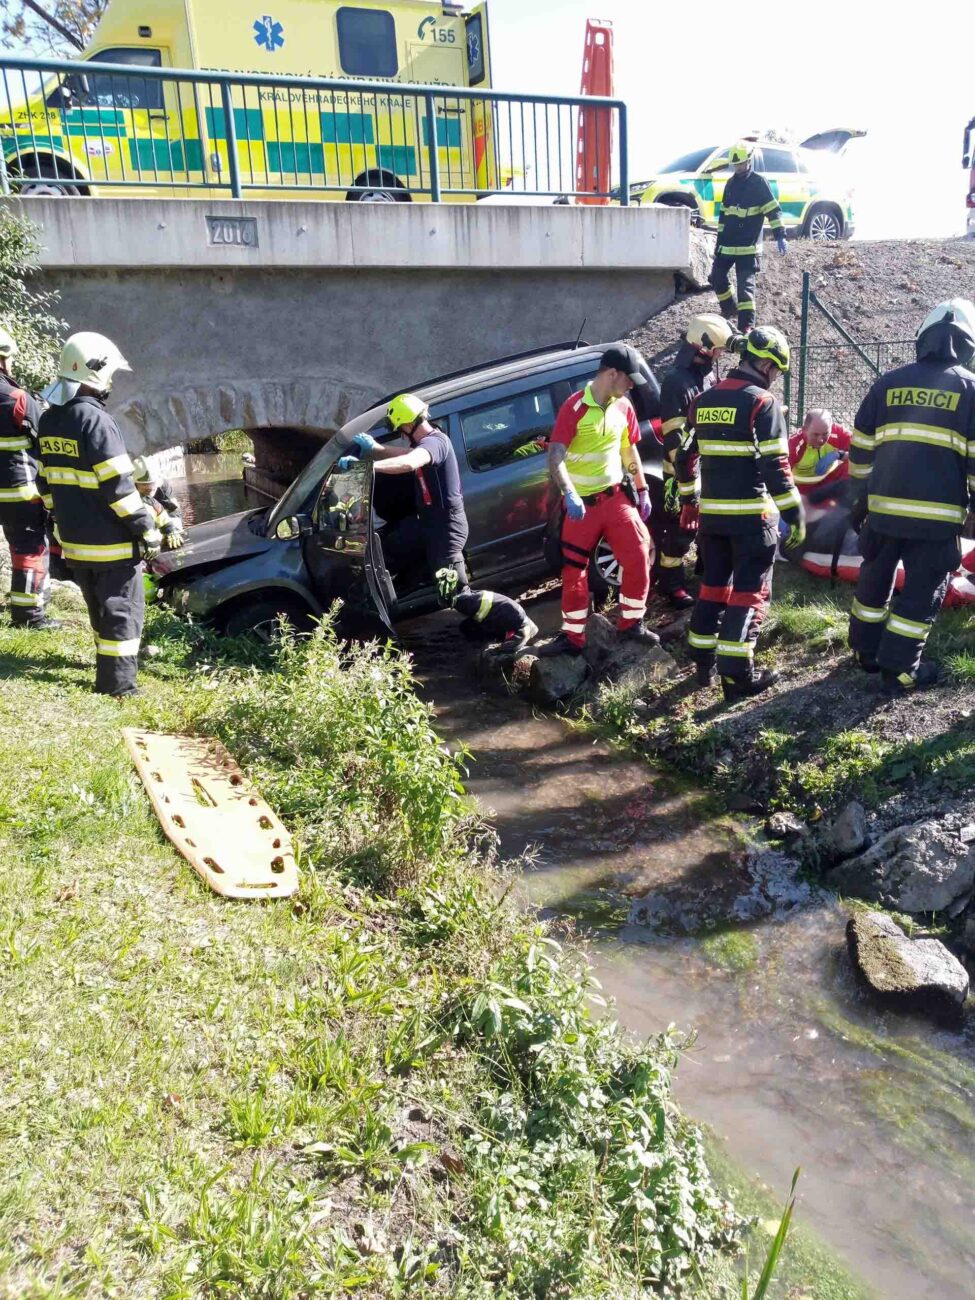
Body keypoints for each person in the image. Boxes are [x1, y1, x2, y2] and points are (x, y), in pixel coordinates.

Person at [847, 299, 975, 693]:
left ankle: (866, 653)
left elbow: (861, 450)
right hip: (936, 524)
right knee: (921, 594)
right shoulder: (970, 389)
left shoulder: (886, 383)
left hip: (882, 513)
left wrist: (859, 502)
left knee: (874, 582)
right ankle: (899, 670)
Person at [676, 325, 804, 701]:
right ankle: (737, 679)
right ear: (765, 363)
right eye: (777, 370)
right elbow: (776, 466)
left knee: (713, 588)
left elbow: (684, 457)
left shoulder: (703, 400)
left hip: (712, 522)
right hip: (752, 521)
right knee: (749, 594)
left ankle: (702, 664)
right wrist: (794, 514)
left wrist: (689, 501)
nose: (776, 378)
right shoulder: (762, 403)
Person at [36, 332, 162, 698]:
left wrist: (59, 522)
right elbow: (119, 487)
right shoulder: (97, 423)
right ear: (98, 372)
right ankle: (118, 686)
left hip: (76, 542)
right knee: (122, 611)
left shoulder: (50, 421)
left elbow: (46, 484)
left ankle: (108, 669)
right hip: (111, 544)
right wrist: (146, 528)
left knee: (99, 607)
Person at [537, 343, 657, 657]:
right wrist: (570, 493)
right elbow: (555, 455)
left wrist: (642, 490)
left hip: (615, 498)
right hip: (582, 509)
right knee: (574, 571)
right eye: (628, 378)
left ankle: (631, 623)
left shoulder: (624, 406)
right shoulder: (574, 407)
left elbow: (629, 450)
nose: (632, 384)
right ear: (611, 373)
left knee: (639, 555)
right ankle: (573, 639)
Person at [341, 393, 471, 590]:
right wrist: (376, 448)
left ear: (409, 424)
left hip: (447, 528)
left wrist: (368, 468)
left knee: (456, 594)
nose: (401, 434)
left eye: (400, 428)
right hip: (434, 526)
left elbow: (409, 462)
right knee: (441, 589)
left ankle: (515, 618)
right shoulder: (427, 443)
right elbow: (408, 454)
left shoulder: (435, 443)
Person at [655, 314, 737, 608]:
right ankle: (671, 585)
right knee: (681, 531)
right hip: (680, 472)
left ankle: (703, 575)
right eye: (716, 350)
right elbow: (675, 438)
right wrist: (685, 477)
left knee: (707, 525)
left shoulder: (707, 377)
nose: (719, 356)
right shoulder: (675, 382)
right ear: (701, 348)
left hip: (706, 465)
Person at [0, 326, 59, 630]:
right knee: (30, 550)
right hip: (19, 492)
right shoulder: (18, 399)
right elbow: (43, 445)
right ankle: (29, 616)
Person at [710, 141, 787, 332]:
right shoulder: (730, 184)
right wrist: (718, 245)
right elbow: (724, 217)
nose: (739, 168)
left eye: (742, 164)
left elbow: (773, 211)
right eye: (736, 165)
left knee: (746, 291)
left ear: (749, 162)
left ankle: (746, 329)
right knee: (716, 277)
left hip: (748, 248)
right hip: (727, 246)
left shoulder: (759, 184)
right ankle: (729, 309)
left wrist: (780, 235)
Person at [435, 566, 539, 657]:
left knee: (505, 647)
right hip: (504, 612)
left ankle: (522, 629)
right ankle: (516, 630)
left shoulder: (466, 603)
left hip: (511, 617)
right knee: (466, 626)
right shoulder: (467, 600)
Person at [788, 408, 852, 502]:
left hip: (829, 484)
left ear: (831, 427)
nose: (820, 440)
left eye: (825, 434)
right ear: (804, 430)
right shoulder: (794, 444)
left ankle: (843, 508)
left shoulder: (838, 432)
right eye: (815, 435)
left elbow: (862, 452)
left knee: (853, 465)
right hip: (802, 490)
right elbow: (780, 475)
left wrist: (839, 455)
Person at [132, 455, 186, 548]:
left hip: (162, 522)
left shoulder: (163, 488)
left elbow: (173, 511)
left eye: (152, 483)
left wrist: (173, 531)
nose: (149, 487)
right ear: (135, 484)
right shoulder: (128, 493)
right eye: (144, 485)